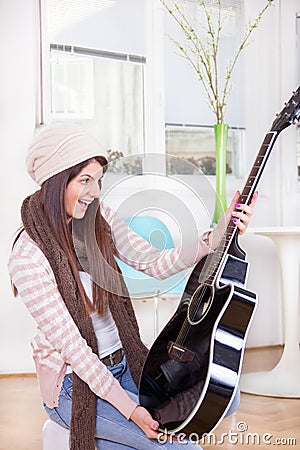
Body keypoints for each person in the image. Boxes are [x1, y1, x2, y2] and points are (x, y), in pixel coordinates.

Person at [8, 124, 258, 450]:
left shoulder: (99, 220)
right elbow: (76, 351)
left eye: (98, 180)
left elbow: (153, 262)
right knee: (182, 446)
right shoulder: (28, 256)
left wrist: (216, 236)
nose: (95, 192)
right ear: (55, 182)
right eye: (85, 180)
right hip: (74, 385)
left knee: (224, 394)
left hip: (124, 364)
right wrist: (132, 411)